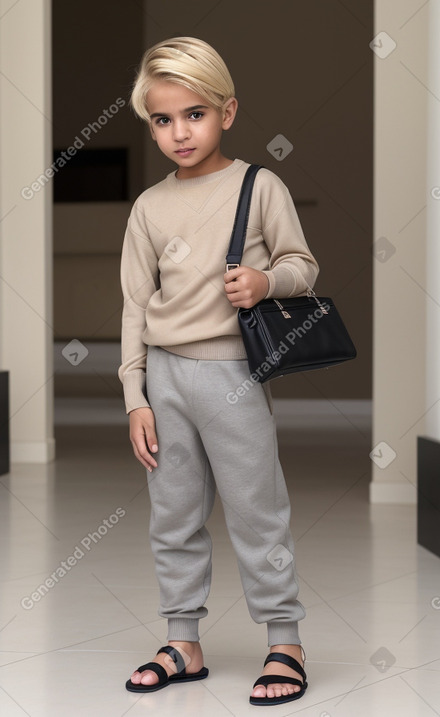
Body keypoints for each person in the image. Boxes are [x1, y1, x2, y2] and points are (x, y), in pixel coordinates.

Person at [118, 36, 319, 706]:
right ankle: (183, 640)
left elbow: (303, 266)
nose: (180, 131)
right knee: (171, 513)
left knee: (256, 509)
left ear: (227, 112)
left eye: (195, 114)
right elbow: (133, 305)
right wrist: (134, 397)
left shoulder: (260, 186)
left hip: (233, 374)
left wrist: (266, 280)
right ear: (150, 122)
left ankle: (284, 641)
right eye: (163, 119)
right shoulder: (148, 207)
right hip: (164, 379)